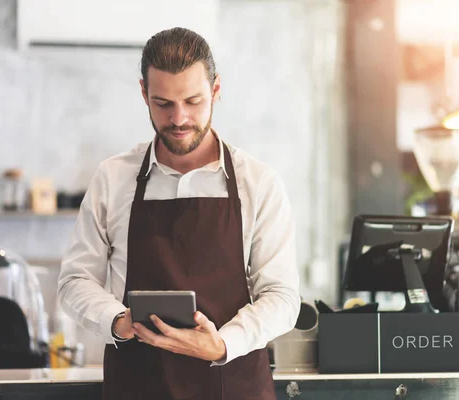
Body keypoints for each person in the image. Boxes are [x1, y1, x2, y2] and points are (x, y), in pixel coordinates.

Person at [57, 27, 300, 399]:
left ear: (216, 90)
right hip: (137, 384)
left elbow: (282, 297)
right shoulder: (113, 178)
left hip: (232, 385)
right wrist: (120, 321)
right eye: (163, 103)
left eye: (193, 100)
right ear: (144, 94)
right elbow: (75, 281)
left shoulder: (259, 182)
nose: (180, 118)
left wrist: (222, 343)